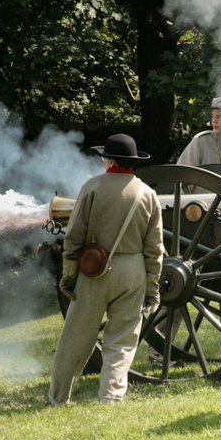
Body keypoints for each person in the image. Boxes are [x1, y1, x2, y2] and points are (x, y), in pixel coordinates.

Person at [49, 134, 163, 405]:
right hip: (133, 271)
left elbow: (74, 238)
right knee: (122, 339)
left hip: (95, 270)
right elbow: (155, 249)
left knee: (76, 338)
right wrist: (153, 287)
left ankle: (58, 397)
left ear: (110, 161)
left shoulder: (92, 187)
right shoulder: (148, 194)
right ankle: (111, 397)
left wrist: (68, 275)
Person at [153, 96, 221, 361]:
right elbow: (180, 176)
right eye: (213, 116)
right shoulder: (200, 142)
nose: (214, 121)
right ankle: (160, 348)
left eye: (220, 116)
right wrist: (191, 210)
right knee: (180, 284)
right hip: (197, 225)